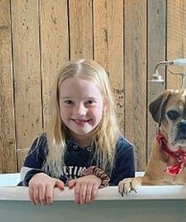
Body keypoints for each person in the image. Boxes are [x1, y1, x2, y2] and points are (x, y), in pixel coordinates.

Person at [19, 59, 135, 205]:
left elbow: (125, 205)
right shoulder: (44, 143)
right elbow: (22, 180)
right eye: (69, 102)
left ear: (105, 104)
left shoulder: (121, 150)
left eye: (89, 102)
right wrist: (37, 177)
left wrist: (100, 182)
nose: (79, 112)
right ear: (58, 103)